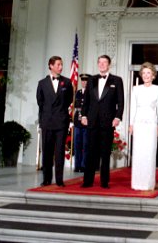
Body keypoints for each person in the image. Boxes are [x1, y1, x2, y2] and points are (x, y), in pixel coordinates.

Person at [80, 55, 124, 189]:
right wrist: (83, 115)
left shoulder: (116, 80)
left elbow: (120, 101)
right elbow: (86, 101)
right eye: (100, 62)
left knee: (105, 153)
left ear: (109, 65)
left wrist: (117, 117)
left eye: (105, 62)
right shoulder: (91, 79)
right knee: (90, 152)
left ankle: (104, 182)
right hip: (92, 121)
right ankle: (88, 181)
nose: (102, 64)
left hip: (108, 122)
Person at [36, 56, 73, 187]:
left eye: (61, 64)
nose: (61, 67)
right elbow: (40, 102)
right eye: (58, 65)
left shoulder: (67, 83)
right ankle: (46, 179)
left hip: (61, 122)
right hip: (47, 122)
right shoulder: (42, 83)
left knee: (59, 152)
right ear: (51, 66)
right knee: (46, 151)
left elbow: (69, 100)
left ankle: (59, 179)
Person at [129, 62, 158, 191]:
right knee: (138, 153)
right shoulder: (136, 89)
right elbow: (133, 108)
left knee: (149, 153)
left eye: (148, 73)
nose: (146, 75)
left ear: (153, 75)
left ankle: (148, 183)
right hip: (138, 124)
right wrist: (131, 124)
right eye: (144, 73)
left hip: (151, 125)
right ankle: (137, 183)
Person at [73, 73, 91, 173]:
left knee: (85, 145)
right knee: (77, 145)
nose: (84, 82)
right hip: (77, 121)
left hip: (86, 121)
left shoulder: (91, 93)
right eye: (82, 81)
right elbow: (75, 106)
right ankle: (77, 165)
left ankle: (84, 165)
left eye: (86, 81)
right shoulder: (77, 92)